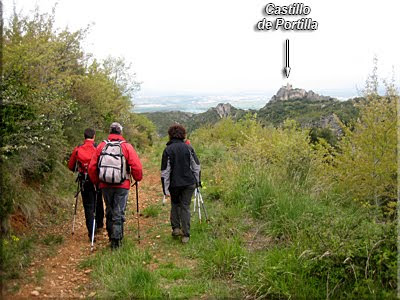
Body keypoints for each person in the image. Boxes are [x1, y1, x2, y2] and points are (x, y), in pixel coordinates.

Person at [88, 122, 143, 249]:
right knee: (119, 211)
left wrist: (97, 181)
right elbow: (136, 166)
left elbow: (92, 167)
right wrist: (137, 178)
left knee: (109, 209)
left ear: (110, 132)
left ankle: (111, 236)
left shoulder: (102, 145)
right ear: (120, 132)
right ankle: (116, 241)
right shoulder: (126, 147)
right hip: (122, 185)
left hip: (105, 184)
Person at [161, 124, 201, 244]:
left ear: (170, 135)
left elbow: (165, 171)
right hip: (189, 183)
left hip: (175, 184)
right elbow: (196, 167)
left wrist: (165, 189)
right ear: (183, 134)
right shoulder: (189, 148)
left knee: (175, 204)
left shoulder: (168, 150)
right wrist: (198, 182)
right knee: (185, 207)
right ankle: (186, 234)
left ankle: (176, 228)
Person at [68, 128, 104, 241]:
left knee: (88, 206)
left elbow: (70, 166)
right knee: (98, 201)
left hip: (84, 181)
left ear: (84, 137)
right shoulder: (98, 148)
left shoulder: (78, 149)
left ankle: (91, 232)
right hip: (96, 180)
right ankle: (99, 224)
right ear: (94, 136)